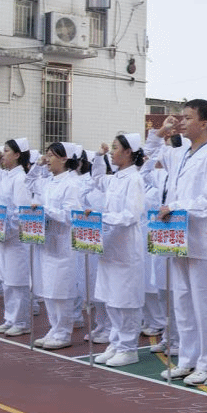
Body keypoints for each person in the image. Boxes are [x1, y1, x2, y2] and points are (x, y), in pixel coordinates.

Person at [145, 99, 207, 386]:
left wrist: (175, 206)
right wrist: (161, 131)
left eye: (188, 117)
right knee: (182, 303)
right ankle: (188, 359)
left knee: (204, 305)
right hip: (178, 241)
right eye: (181, 117)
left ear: (204, 124)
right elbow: (149, 155)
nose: (181, 121)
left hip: (202, 243)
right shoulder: (182, 154)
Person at [90, 134, 147, 366]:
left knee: (126, 301)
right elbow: (96, 178)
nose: (112, 152)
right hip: (110, 246)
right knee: (111, 298)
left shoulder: (134, 179)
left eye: (115, 148)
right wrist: (98, 157)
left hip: (126, 248)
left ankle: (128, 348)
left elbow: (131, 215)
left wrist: (102, 218)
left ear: (128, 152)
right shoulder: (114, 178)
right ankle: (115, 343)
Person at [32, 143, 85, 348]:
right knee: (48, 289)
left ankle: (63, 332)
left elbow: (71, 215)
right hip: (47, 242)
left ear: (64, 158)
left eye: (51, 155)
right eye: (46, 154)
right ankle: (54, 328)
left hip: (63, 243)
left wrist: (46, 210)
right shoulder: (48, 182)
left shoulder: (71, 184)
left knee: (61, 290)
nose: (47, 159)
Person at [0, 138, 36, 336]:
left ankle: (21, 321)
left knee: (18, 281)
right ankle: (10, 318)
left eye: (7, 151)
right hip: (3, 236)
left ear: (17, 155)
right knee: (6, 280)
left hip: (15, 238)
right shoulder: (6, 176)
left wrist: (6, 231)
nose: (3, 154)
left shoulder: (21, 179)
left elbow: (21, 212)